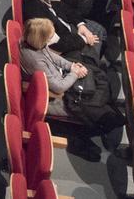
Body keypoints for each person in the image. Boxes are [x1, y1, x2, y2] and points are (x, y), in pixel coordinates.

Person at [19, 18, 124, 162]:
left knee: (96, 83)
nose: (54, 38)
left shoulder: (36, 44)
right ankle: (81, 136)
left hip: (63, 78)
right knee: (105, 116)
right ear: (41, 39)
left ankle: (105, 105)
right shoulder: (36, 60)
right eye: (51, 36)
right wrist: (74, 73)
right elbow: (58, 87)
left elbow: (54, 57)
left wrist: (72, 66)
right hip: (57, 96)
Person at [21, 0, 104, 63]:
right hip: (62, 45)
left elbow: (67, 9)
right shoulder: (36, 15)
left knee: (100, 30)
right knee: (92, 53)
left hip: (69, 27)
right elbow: (57, 44)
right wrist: (83, 39)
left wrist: (81, 26)